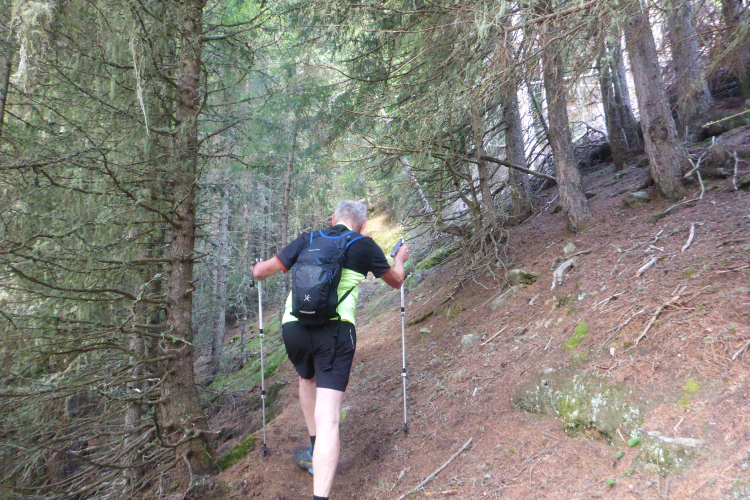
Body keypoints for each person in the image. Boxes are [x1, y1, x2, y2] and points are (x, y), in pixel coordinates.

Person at [251, 200, 409, 500]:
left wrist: (254, 267)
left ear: (333, 219)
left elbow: (261, 272)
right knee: (329, 418)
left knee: (306, 377)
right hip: (335, 332)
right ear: (362, 224)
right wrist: (399, 258)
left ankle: (315, 450)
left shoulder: (309, 238)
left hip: (294, 327)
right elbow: (396, 281)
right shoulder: (364, 245)